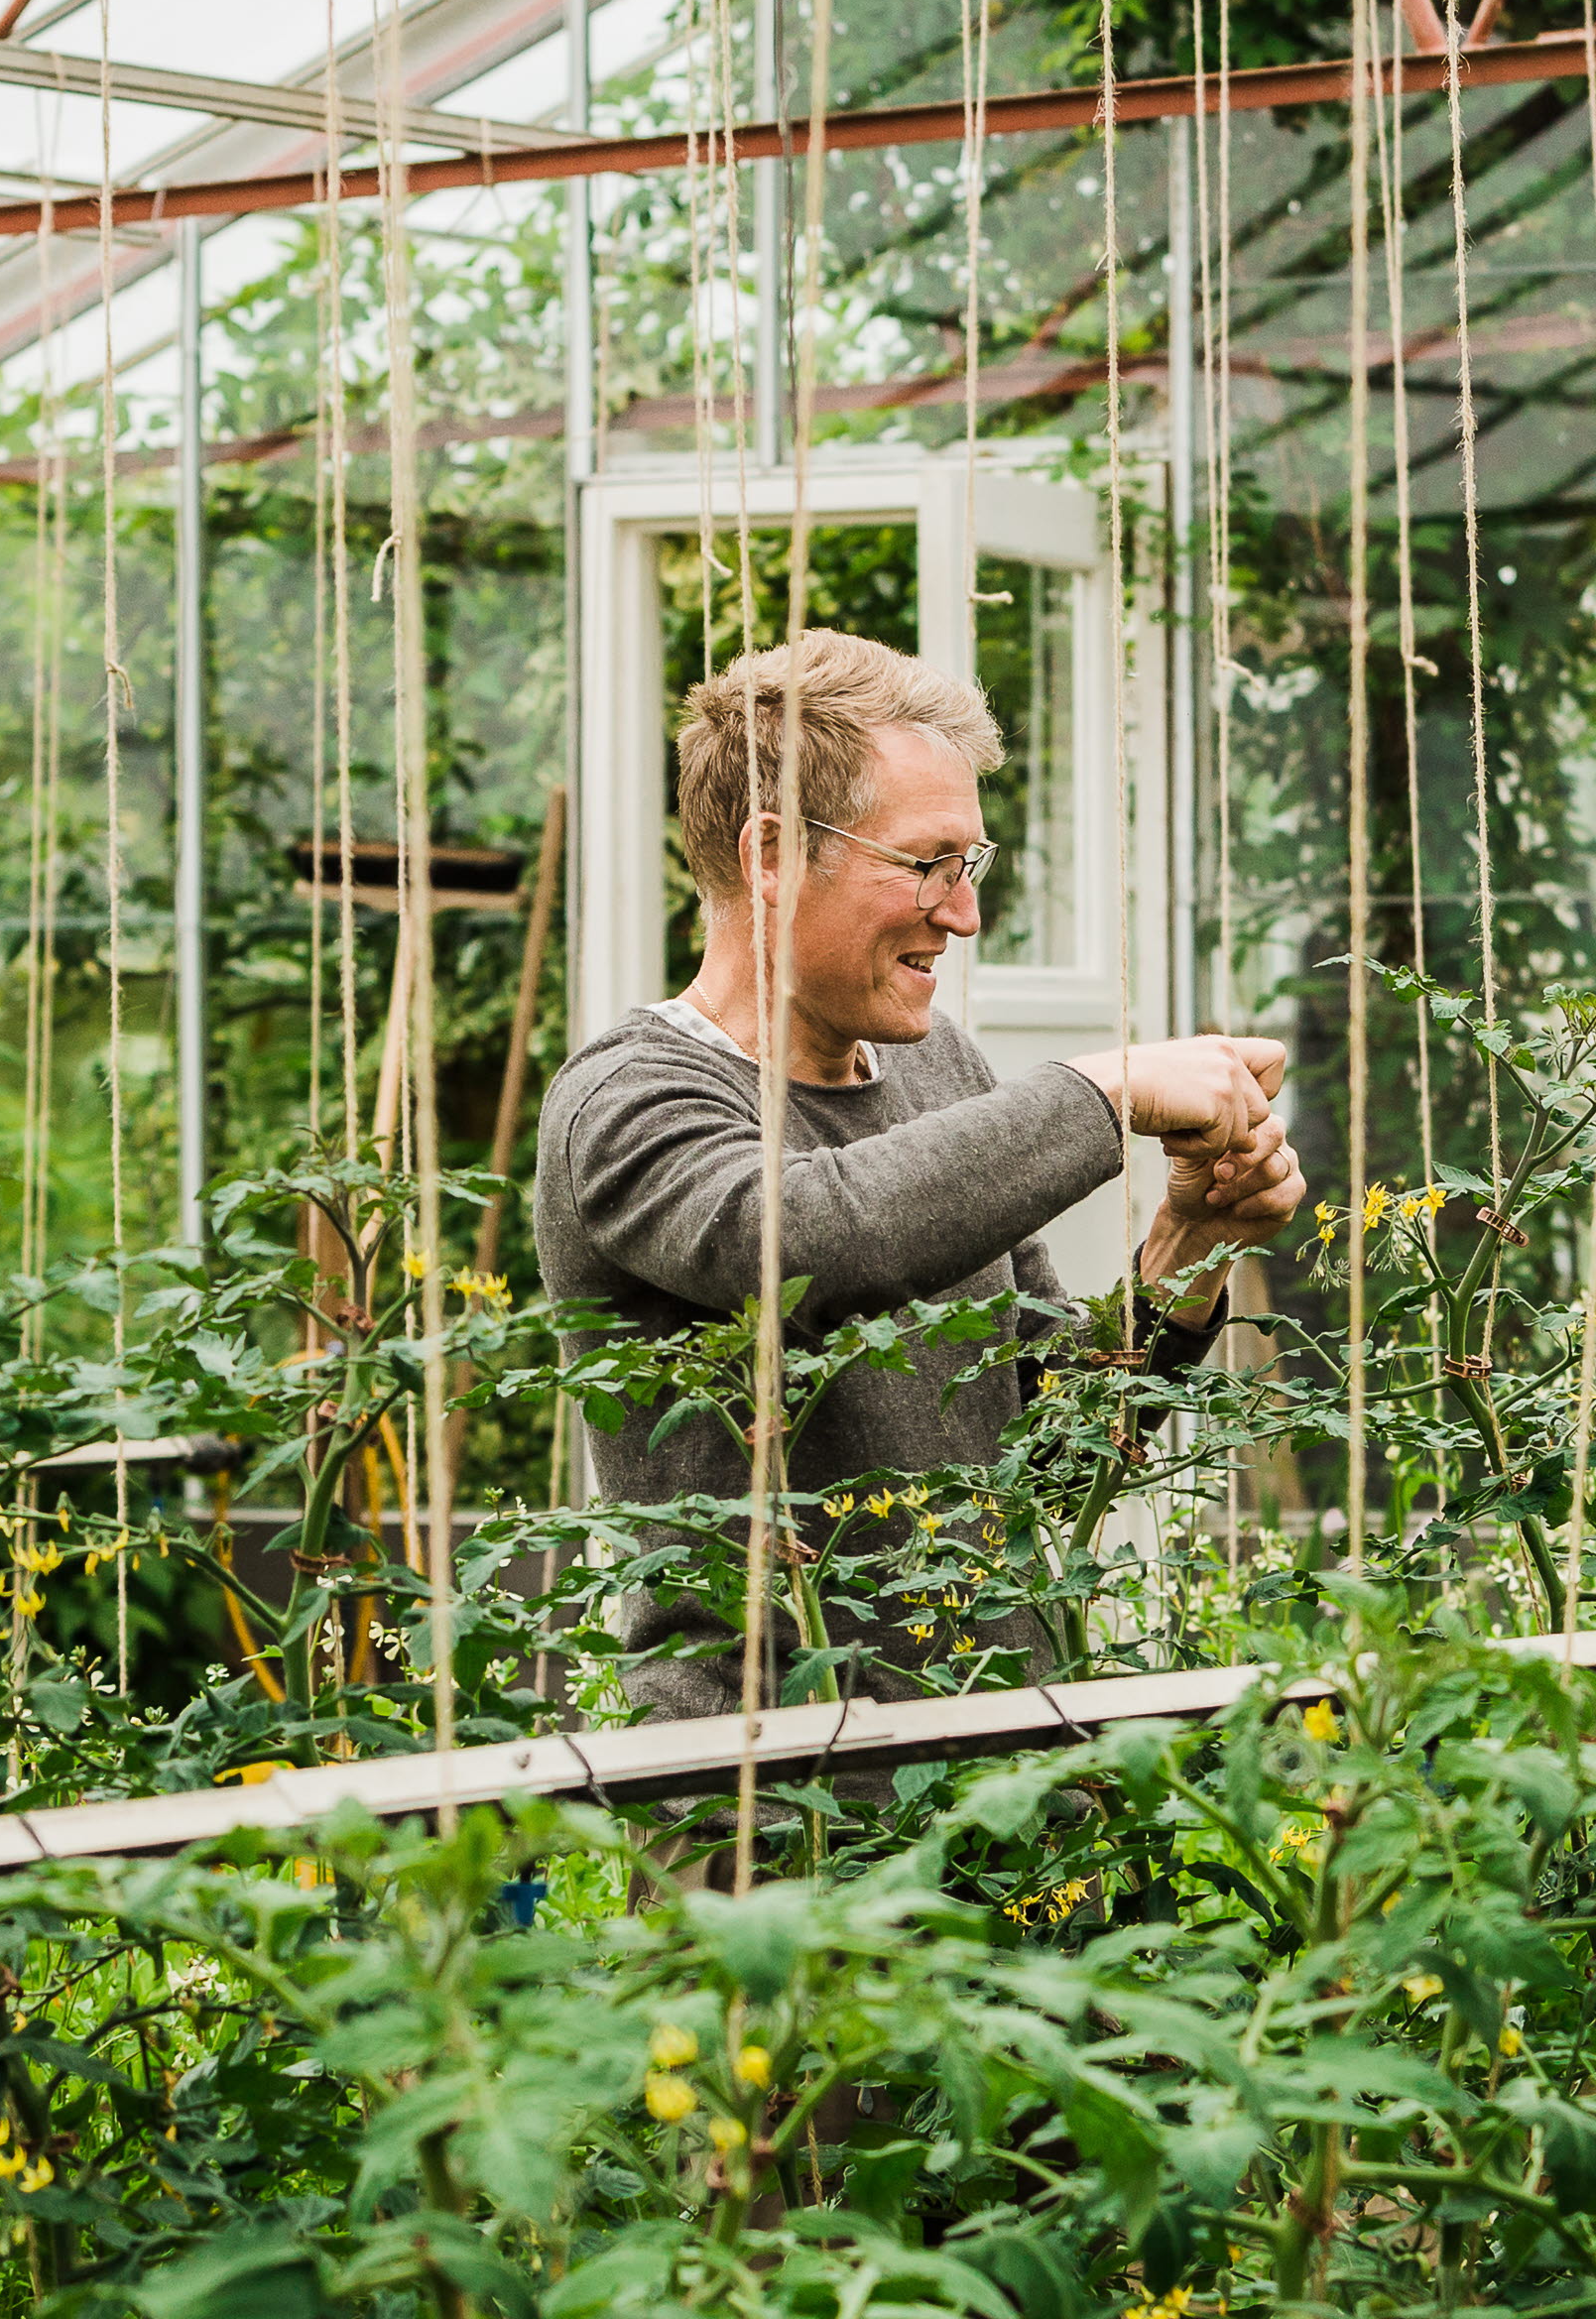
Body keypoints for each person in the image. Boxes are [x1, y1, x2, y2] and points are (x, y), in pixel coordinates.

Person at [536, 628, 1306, 1714]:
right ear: (771, 855)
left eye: (970, 863)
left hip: (1002, 1774)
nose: (963, 910)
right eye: (926, 862)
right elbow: (805, 1239)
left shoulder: (940, 1065)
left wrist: (1190, 1246)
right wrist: (1104, 1091)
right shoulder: (628, 1100)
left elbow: (1051, 1449)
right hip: (776, 1813)